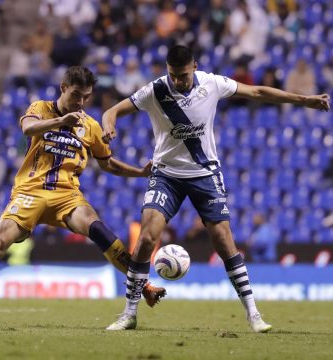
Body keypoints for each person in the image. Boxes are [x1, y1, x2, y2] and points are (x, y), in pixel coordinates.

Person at [101, 45, 330, 332]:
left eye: (183, 76)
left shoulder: (212, 83)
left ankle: (253, 314)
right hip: (166, 174)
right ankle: (129, 313)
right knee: (147, 238)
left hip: (204, 173)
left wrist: (303, 100)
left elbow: (257, 92)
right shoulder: (155, 90)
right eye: (173, 75)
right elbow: (112, 111)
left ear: (194, 66)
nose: (178, 82)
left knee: (224, 242)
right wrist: (109, 125)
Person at [0, 66, 166, 310]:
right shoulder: (41, 108)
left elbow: (107, 164)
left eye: (86, 96)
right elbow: (27, 128)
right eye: (76, 94)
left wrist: (139, 172)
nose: (81, 102)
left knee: (98, 229)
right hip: (30, 191)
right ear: (63, 88)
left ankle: (144, 287)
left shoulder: (90, 125)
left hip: (67, 196)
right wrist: (61, 121)